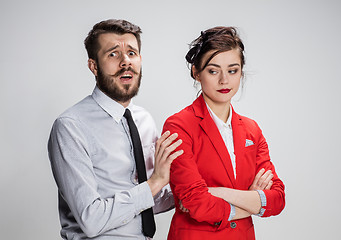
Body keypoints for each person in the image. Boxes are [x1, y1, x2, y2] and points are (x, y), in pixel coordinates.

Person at [48, 19, 183, 239]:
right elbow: (91, 219)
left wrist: (193, 188)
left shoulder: (144, 120)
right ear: (93, 66)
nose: (125, 62)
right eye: (113, 54)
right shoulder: (71, 127)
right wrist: (156, 182)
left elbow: (148, 202)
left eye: (132, 53)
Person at [162, 26, 285, 239]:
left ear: (241, 72)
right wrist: (252, 201)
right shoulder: (179, 125)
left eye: (232, 70)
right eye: (213, 70)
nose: (224, 80)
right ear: (196, 72)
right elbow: (197, 203)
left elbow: (276, 199)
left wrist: (218, 192)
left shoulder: (251, 129)